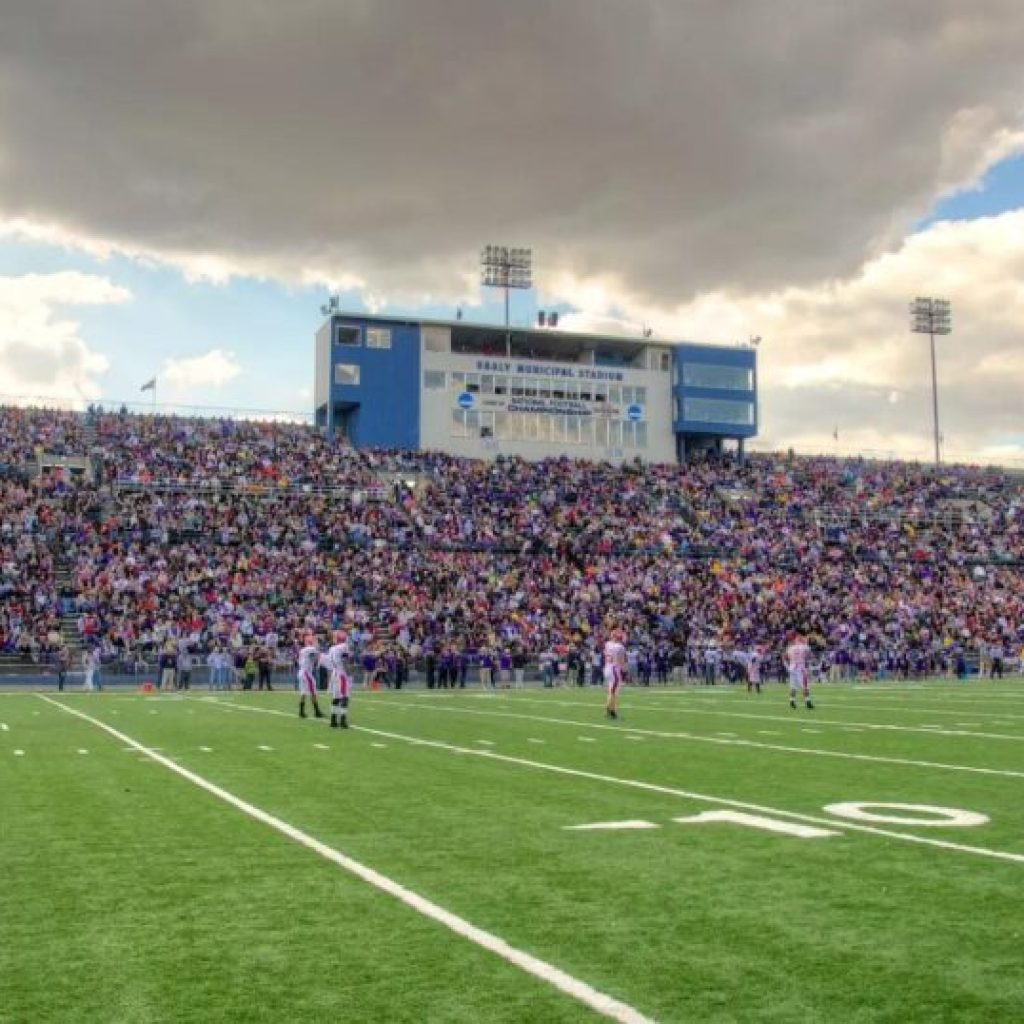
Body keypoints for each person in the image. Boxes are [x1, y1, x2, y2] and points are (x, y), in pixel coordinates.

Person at [324, 634, 352, 729]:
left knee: (336, 697)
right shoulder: (344, 646)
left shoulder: (332, 648)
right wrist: (348, 672)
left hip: (334, 673)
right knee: (345, 697)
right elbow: (345, 660)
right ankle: (343, 721)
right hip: (341, 674)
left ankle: (333, 720)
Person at [296, 636, 325, 719]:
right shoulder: (309, 649)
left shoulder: (303, 650)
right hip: (306, 673)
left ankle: (301, 712)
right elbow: (317, 651)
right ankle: (317, 711)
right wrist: (316, 640)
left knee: (303, 692)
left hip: (302, 672)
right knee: (313, 692)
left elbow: (315, 657)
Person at [785, 633, 814, 710]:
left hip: (792, 668)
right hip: (800, 668)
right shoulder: (804, 646)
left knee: (793, 686)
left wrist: (788, 666)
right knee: (805, 686)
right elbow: (811, 656)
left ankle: (792, 701)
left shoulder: (790, 648)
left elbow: (785, 657)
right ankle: (808, 703)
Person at [603, 629, 627, 720]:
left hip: (607, 668)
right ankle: (612, 712)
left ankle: (608, 710)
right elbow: (621, 661)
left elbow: (606, 654)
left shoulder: (607, 644)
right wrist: (624, 672)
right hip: (614, 669)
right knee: (614, 693)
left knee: (611, 691)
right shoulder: (620, 647)